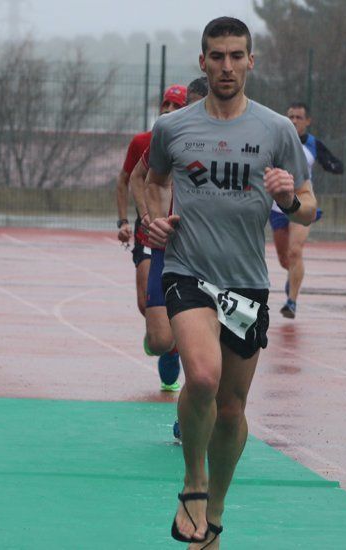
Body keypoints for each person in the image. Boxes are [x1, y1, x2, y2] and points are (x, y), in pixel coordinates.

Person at [145, 17, 317, 548]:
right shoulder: (172, 129)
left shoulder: (276, 131)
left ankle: (214, 510)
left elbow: (309, 209)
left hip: (246, 284)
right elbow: (152, 183)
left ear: (250, 61)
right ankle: (193, 483)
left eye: (235, 56)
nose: (226, 66)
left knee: (232, 408)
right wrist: (154, 221)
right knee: (200, 376)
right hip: (187, 271)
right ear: (202, 62)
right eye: (216, 56)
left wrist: (288, 199)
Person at [130, 77, 210, 397]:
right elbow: (139, 177)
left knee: (206, 349)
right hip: (168, 248)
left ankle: (189, 415)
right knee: (163, 339)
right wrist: (148, 216)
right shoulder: (173, 133)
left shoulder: (237, 141)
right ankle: (167, 346)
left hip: (214, 255)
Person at [114, 84, 188, 390]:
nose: (168, 110)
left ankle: (174, 347)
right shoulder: (144, 142)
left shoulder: (197, 141)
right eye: (165, 104)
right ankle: (164, 342)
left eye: (176, 106)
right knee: (148, 306)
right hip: (150, 235)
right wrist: (127, 220)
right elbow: (127, 179)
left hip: (185, 241)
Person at [270, 101, 343, 319]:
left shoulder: (313, 144)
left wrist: (330, 166)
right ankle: (292, 277)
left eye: (298, 118)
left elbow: (337, 165)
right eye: (290, 117)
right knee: (285, 259)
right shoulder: (276, 141)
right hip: (277, 207)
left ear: (307, 121)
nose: (293, 121)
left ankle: (291, 302)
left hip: (302, 204)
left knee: (295, 251)